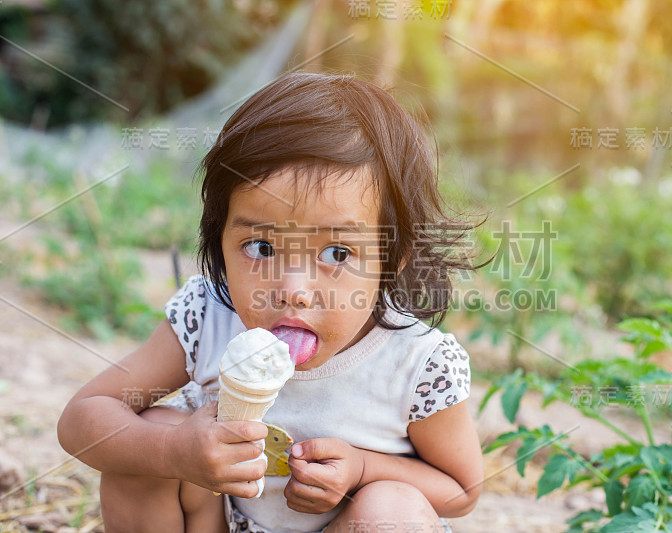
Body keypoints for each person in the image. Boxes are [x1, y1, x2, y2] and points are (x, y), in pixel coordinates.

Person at [58, 71, 487, 533]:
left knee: (394, 509)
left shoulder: (415, 363)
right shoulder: (210, 318)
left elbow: (460, 489)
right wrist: (172, 452)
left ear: (393, 257)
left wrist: (363, 469)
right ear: (218, 240)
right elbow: (83, 420)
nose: (293, 290)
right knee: (149, 438)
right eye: (261, 247)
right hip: (219, 522)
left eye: (337, 253)